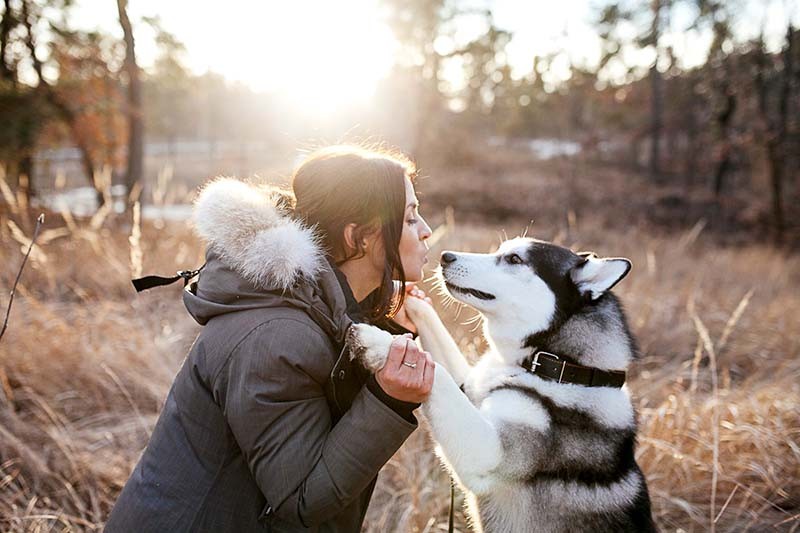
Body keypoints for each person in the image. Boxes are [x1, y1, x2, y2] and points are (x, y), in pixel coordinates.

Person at [106, 145, 435, 532]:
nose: (426, 229)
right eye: (410, 217)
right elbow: (301, 499)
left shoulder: (312, 310)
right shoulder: (276, 338)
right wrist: (387, 399)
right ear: (357, 238)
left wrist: (381, 316)